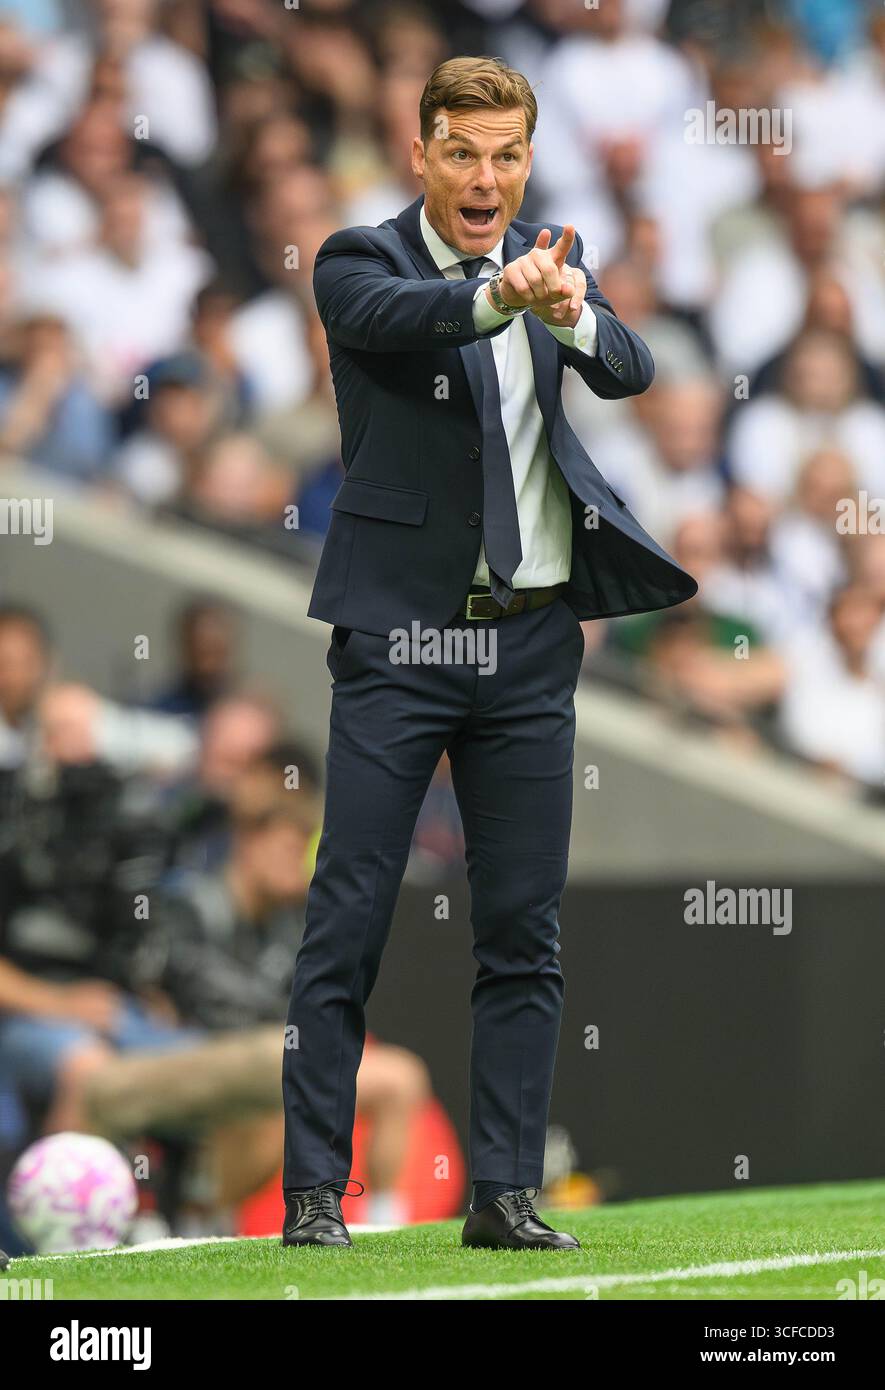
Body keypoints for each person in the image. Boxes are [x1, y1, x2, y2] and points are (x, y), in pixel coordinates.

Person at [281, 55, 695, 1252]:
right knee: (349, 910)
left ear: (525, 157)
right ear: (420, 154)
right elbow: (397, 323)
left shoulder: (548, 262)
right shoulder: (361, 258)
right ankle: (318, 1191)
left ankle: (505, 1193)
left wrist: (577, 312)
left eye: (507, 153)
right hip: (402, 643)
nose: (486, 175)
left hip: (528, 645)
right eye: (462, 152)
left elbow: (632, 368)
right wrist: (503, 297)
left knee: (522, 928)